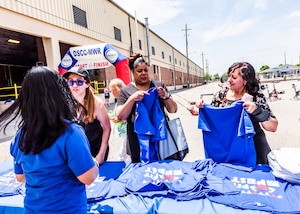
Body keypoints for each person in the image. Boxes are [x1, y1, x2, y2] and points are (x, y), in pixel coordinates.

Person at [0, 66, 98, 213]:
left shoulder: (21, 135)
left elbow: (20, 177)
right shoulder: (71, 133)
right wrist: (93, 162)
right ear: (60, 93)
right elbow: (88, 178)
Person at [195, 62, 278, 164]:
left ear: (245, 80)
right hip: (228, 148)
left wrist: (258, 111)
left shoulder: (256, 96)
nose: (229, 80)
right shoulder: (221, 95)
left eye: (233, 77)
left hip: (253, 148)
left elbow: (273, 127)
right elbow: (213, 118)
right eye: (229, 76)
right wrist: (201, 108)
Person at [116, 53, 178, 163]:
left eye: (145, 70)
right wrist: (131, 99)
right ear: (132, 72)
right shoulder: (126, 91)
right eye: (139, 71)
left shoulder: (158, 86)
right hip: (137, 146)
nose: (143, 73)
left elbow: (173, 109)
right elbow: (120, 116)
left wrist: (165, 96)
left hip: (161, 142)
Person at [63, 67, 111, 165]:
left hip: (94, 151)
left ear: (87, 84)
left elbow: (107, 128)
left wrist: (101, 154)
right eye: (71, 82)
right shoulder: (65, 103)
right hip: (76, 153)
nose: (75, 85)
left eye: (79, 82)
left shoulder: (96, 103)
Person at [108, 78, 131, 161]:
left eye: (112, 90)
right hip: (123, 132)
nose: (112, 93)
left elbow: (131, 116)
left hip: (128, 132)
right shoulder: (120, 100)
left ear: (118, 88)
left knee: (123, 156)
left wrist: (119, 119)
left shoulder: (126, 99)